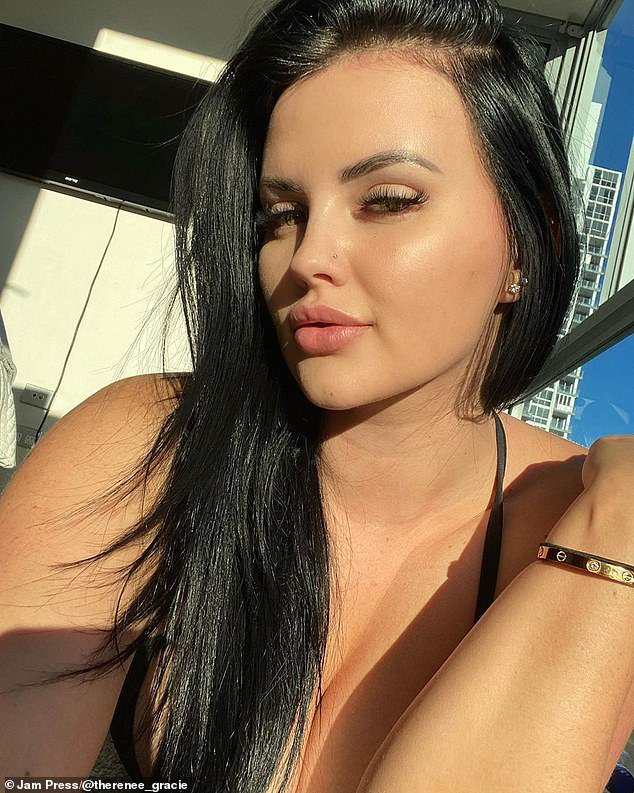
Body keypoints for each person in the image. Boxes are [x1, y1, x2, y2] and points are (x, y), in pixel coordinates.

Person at [1, 0, 632, 791]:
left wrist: (616, 528)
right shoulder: (153, 446)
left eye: (388, 200)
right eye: (280, 215)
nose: (307, 256)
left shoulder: (589, 530)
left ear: (525, 244)